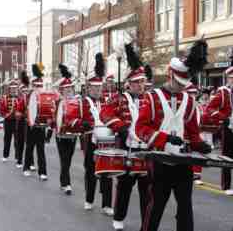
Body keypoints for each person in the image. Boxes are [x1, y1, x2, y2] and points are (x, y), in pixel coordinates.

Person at [136, 39, 211, 231]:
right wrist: (164, 138)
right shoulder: (152, 98)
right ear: (170, 75)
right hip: (159, 162)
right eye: (179, 83)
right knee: (156, 207)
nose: (181, 87)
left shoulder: (189, 100)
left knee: (185, 207)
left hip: (182, 163)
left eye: (184, 84)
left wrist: (199, 145)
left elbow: (193, 133)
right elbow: (141, 128)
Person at [100, 43, 150, 231]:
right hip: (127, 151)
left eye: (142, 82)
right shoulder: (119, 99)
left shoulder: (150, 99)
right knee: (124, 188)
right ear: (129, 83)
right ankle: (119, 218)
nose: (140, 85)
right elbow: (104, 113)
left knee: (147, 191)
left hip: (147, 151)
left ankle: (147, 223)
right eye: (137, 82)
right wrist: (119, 126)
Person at [71, 53, 113, 215]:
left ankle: (107, 204)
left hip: (108, 140)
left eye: (99, 88)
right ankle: (89, 199)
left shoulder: (107, 102)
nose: (97, 90)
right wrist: (83, 124)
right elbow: (72, 121)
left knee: (108, 171)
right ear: (89, 88)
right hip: (90, 140)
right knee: (90, 171)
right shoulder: (82, 102)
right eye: (95, 88)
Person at [204, 64, 233, 196]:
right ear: (228, 78)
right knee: (226, 157)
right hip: (228, 128)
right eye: (232, 78)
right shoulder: (223, 92)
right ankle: (226, 185)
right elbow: (209, 108)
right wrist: (222, 118)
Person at [53, 64, 78, 195]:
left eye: (70, 89)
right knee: (64, 158)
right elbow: (53, 118)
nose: (69, 91)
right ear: (62, 91)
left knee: (68, 158)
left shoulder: (76, 102)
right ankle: (66, 183)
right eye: (66, 90)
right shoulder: (58, 103)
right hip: (61, 135)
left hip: (73, 135)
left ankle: (63, 180)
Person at [22, 64, 50, 181]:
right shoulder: (28, 96)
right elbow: (22, 108)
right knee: (29, 147)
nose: (38, 87)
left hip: (41, 125)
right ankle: (26, 168)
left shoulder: (44, 97)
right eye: (36, 85)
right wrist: (27, 115)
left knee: (41, 149)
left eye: (40, 85)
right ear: (32, 85)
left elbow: (48, 110)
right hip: (31, 125)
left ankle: (42, 172)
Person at [0, 79, 20, 162]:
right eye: (12, 88)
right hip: (8, 121)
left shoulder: (19, 98)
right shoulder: (5, 98)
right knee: (7, 139)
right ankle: (5, 155)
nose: (13, 90)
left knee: (17, 140)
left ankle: (17, 156)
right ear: (9, 89)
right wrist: (5, 115)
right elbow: (2, 110)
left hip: (17, 121)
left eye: (15, 88)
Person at [15, 71, 31, 168]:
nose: (25, 92)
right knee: (20, 141)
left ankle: (31, 162)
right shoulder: (18, 99)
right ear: (20, 91)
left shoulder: (31, 99)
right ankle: (19, 159)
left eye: (26, 90)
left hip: (29, 122)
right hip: (21, 121)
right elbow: (17, 112)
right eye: (23, 91)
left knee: (29, 143)